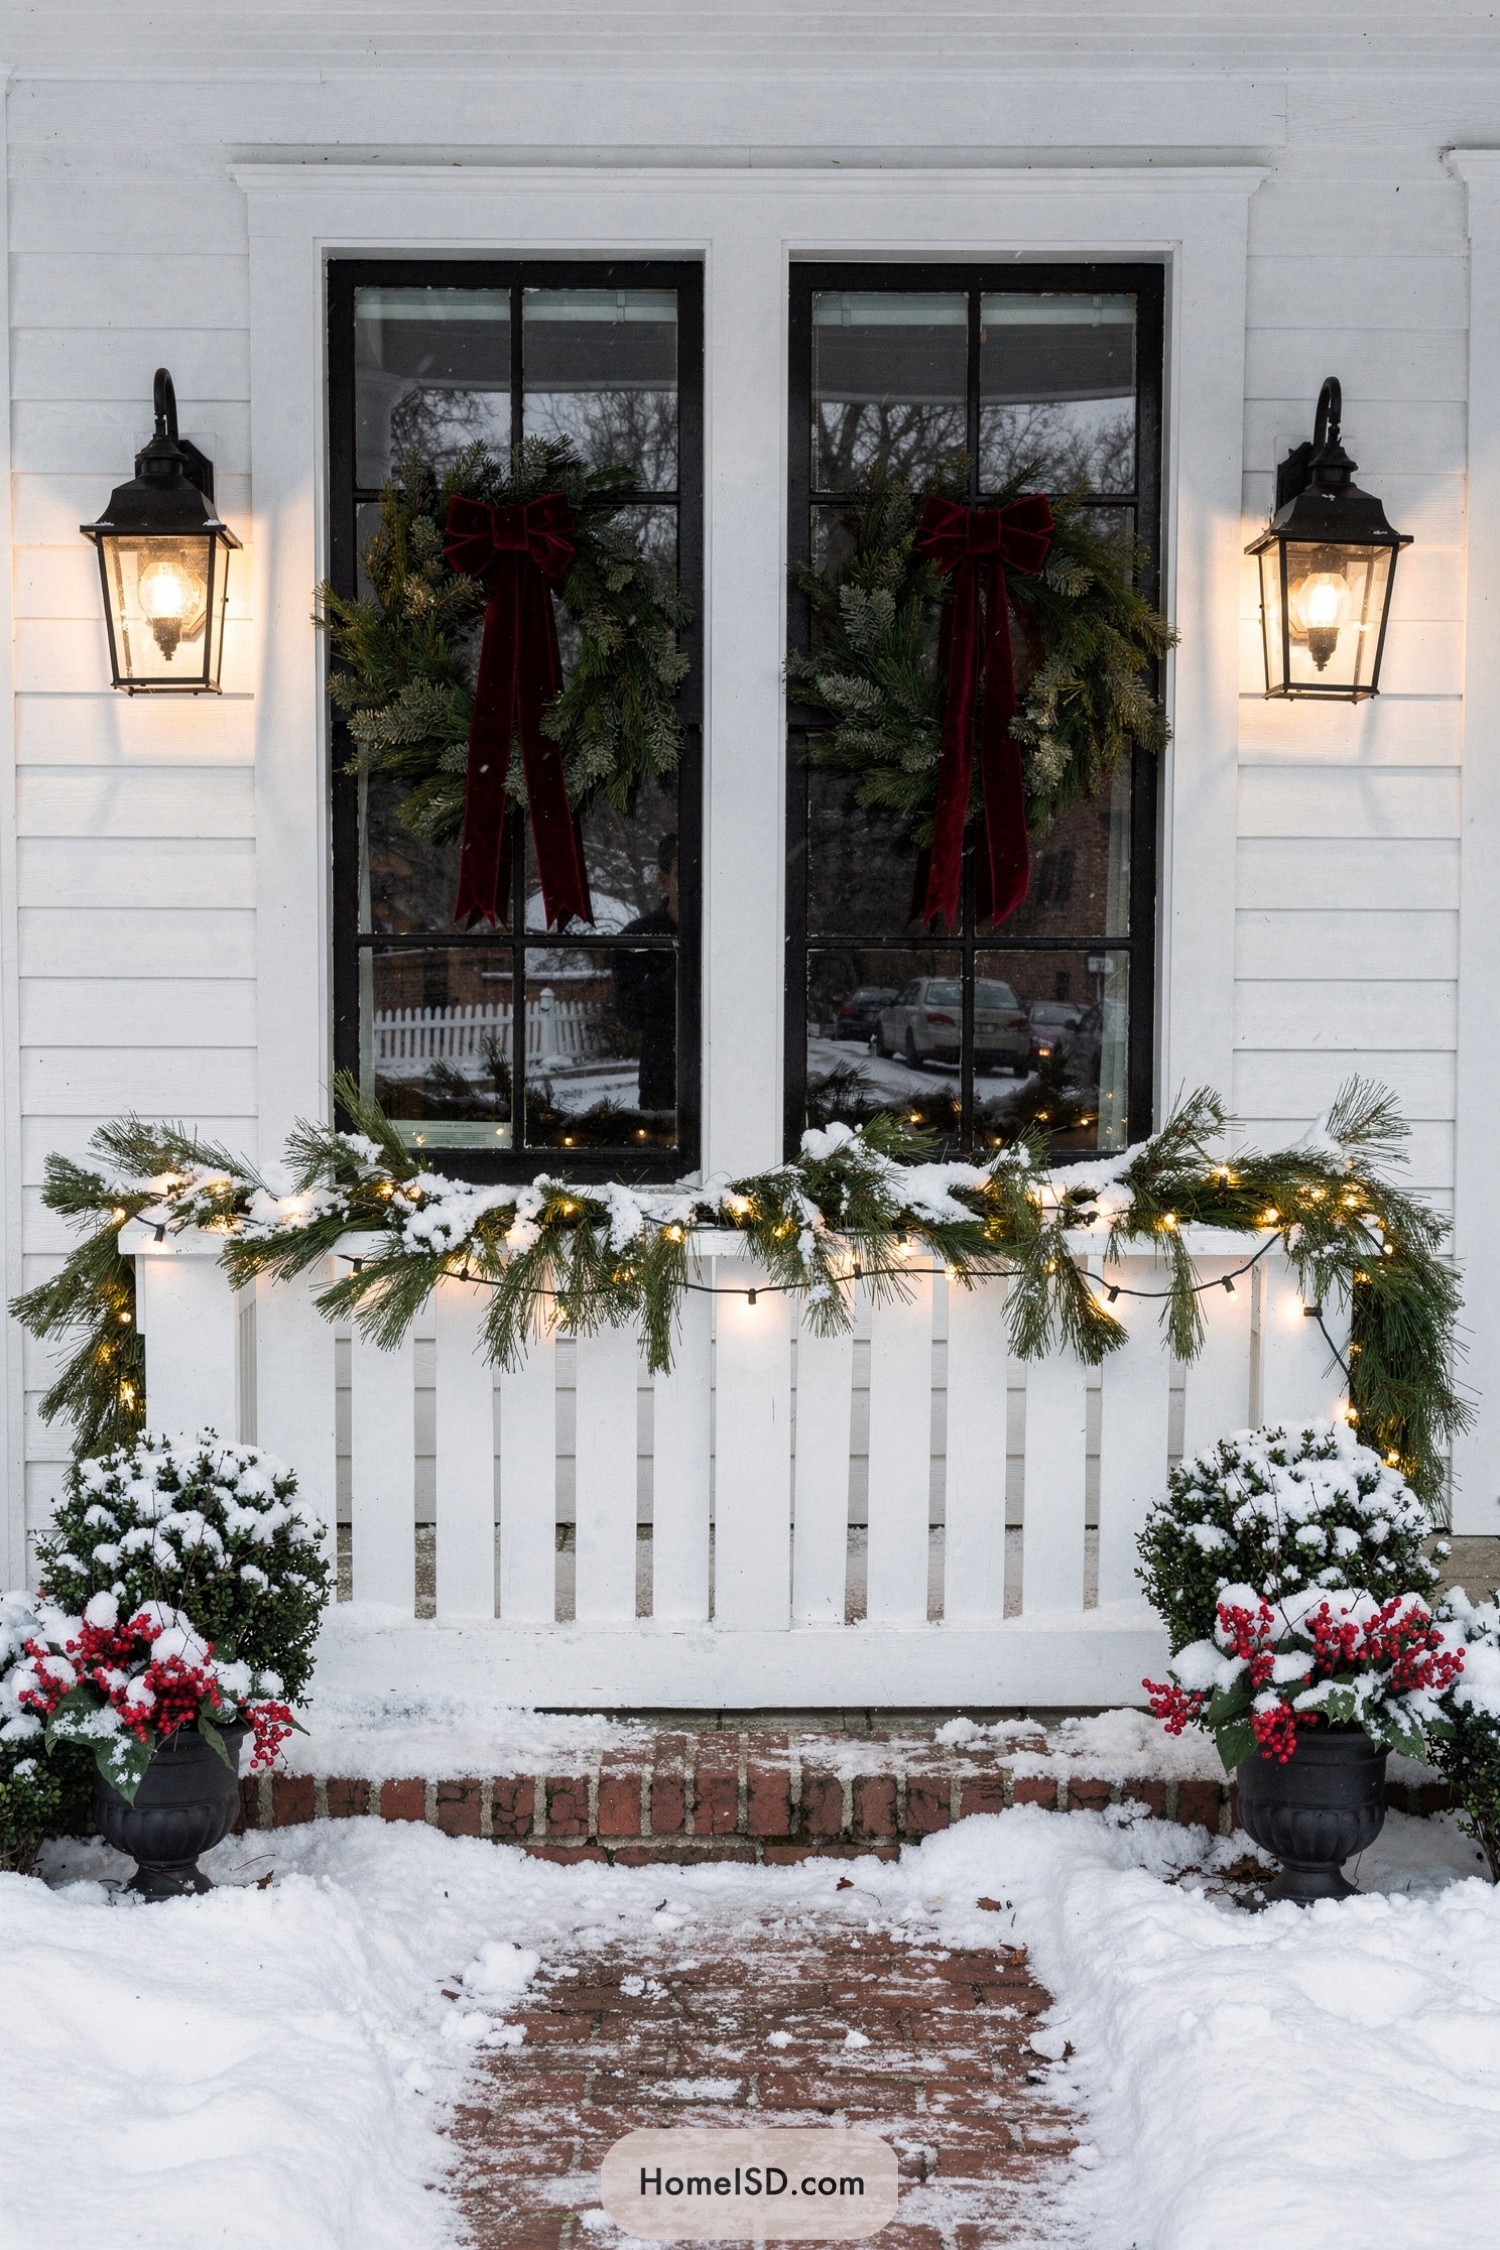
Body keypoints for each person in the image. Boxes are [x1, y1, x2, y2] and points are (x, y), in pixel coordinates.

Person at [612, 832, 678, 1113]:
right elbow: (630, 1014)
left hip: (735, 1078)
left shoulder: (735, 934)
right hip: (663, 1084)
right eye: (688, 872)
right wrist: (679, 972)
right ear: (664, 880)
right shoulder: (638, 937)